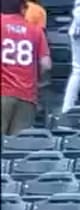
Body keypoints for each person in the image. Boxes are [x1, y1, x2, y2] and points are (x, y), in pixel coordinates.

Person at [0, 0, 50, 136]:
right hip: (27, 96)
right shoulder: (35, 30)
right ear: (23, 8)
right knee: (17, 148)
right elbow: (46, 64)